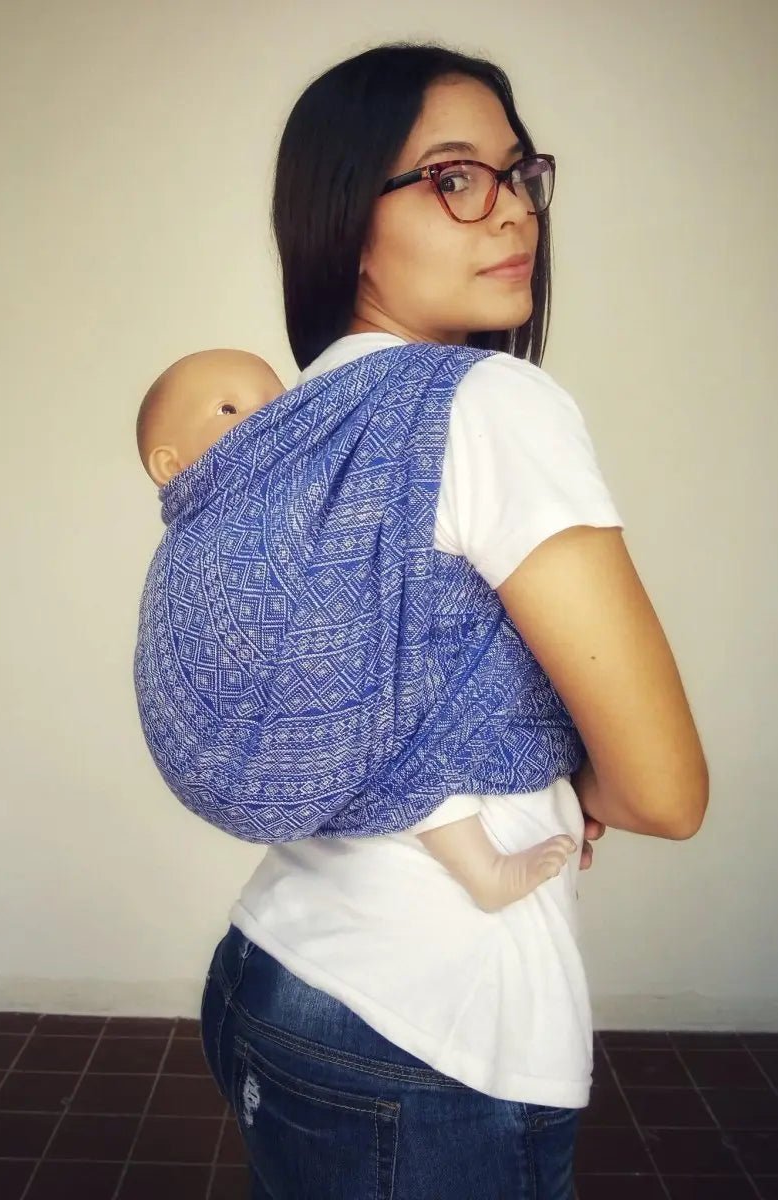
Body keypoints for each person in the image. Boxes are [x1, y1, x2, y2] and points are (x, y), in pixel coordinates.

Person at [189, 42, 708, 1199]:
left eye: (519, 173)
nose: (512, 209)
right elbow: (668, 790)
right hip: (432, 1026)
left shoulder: (296, 419)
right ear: (346, 219)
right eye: (454, 177)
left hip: (272, 966)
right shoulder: (489, 403)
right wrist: (577, 785)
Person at [136, 347, 581, 913]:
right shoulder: (193, 547)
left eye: (278, 400)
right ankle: (482, 867)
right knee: (405, 729)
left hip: (298, 871)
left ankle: (482, 869)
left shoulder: (319, 486)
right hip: (237, 748)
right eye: (229, 408)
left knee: (405, 740)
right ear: (170, 466)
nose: (266, 416)